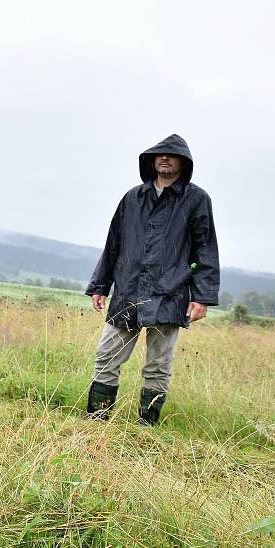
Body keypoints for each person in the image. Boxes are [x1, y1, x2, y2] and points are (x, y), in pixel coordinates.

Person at [85, 134, 220, 425]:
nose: (165, 158)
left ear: (184, 163)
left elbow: (205, 249)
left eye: (172, 155)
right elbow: (113, 244)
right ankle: (97, 421)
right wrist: (100, 285)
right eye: (160, 155)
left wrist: (202, 297)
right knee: (107, 356)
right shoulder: (133, 198)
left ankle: (146, 426)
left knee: (158, 366)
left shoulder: (196, 199)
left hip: (170, 294)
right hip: (128, 292)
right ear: (151, 160)